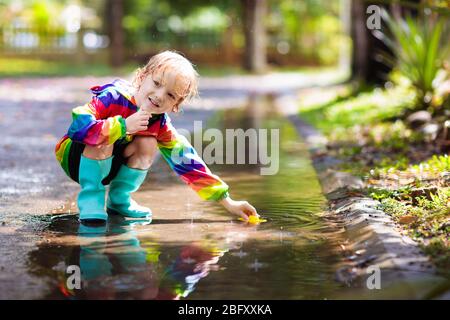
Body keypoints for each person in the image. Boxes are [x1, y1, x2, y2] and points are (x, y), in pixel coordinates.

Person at [55, 50, 259, 223]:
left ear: (175, 106)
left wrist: (227, 201)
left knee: (147, 142)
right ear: (142, 77)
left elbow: (187, 161)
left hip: (111, 166)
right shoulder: (113, 97)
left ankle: (119, 199)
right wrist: (123, 126)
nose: (160, 95)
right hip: (76, 159)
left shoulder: (159, 124)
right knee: (106, 137)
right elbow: (78, 126)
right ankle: (92, 200)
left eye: (170, 95)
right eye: (157, 83)